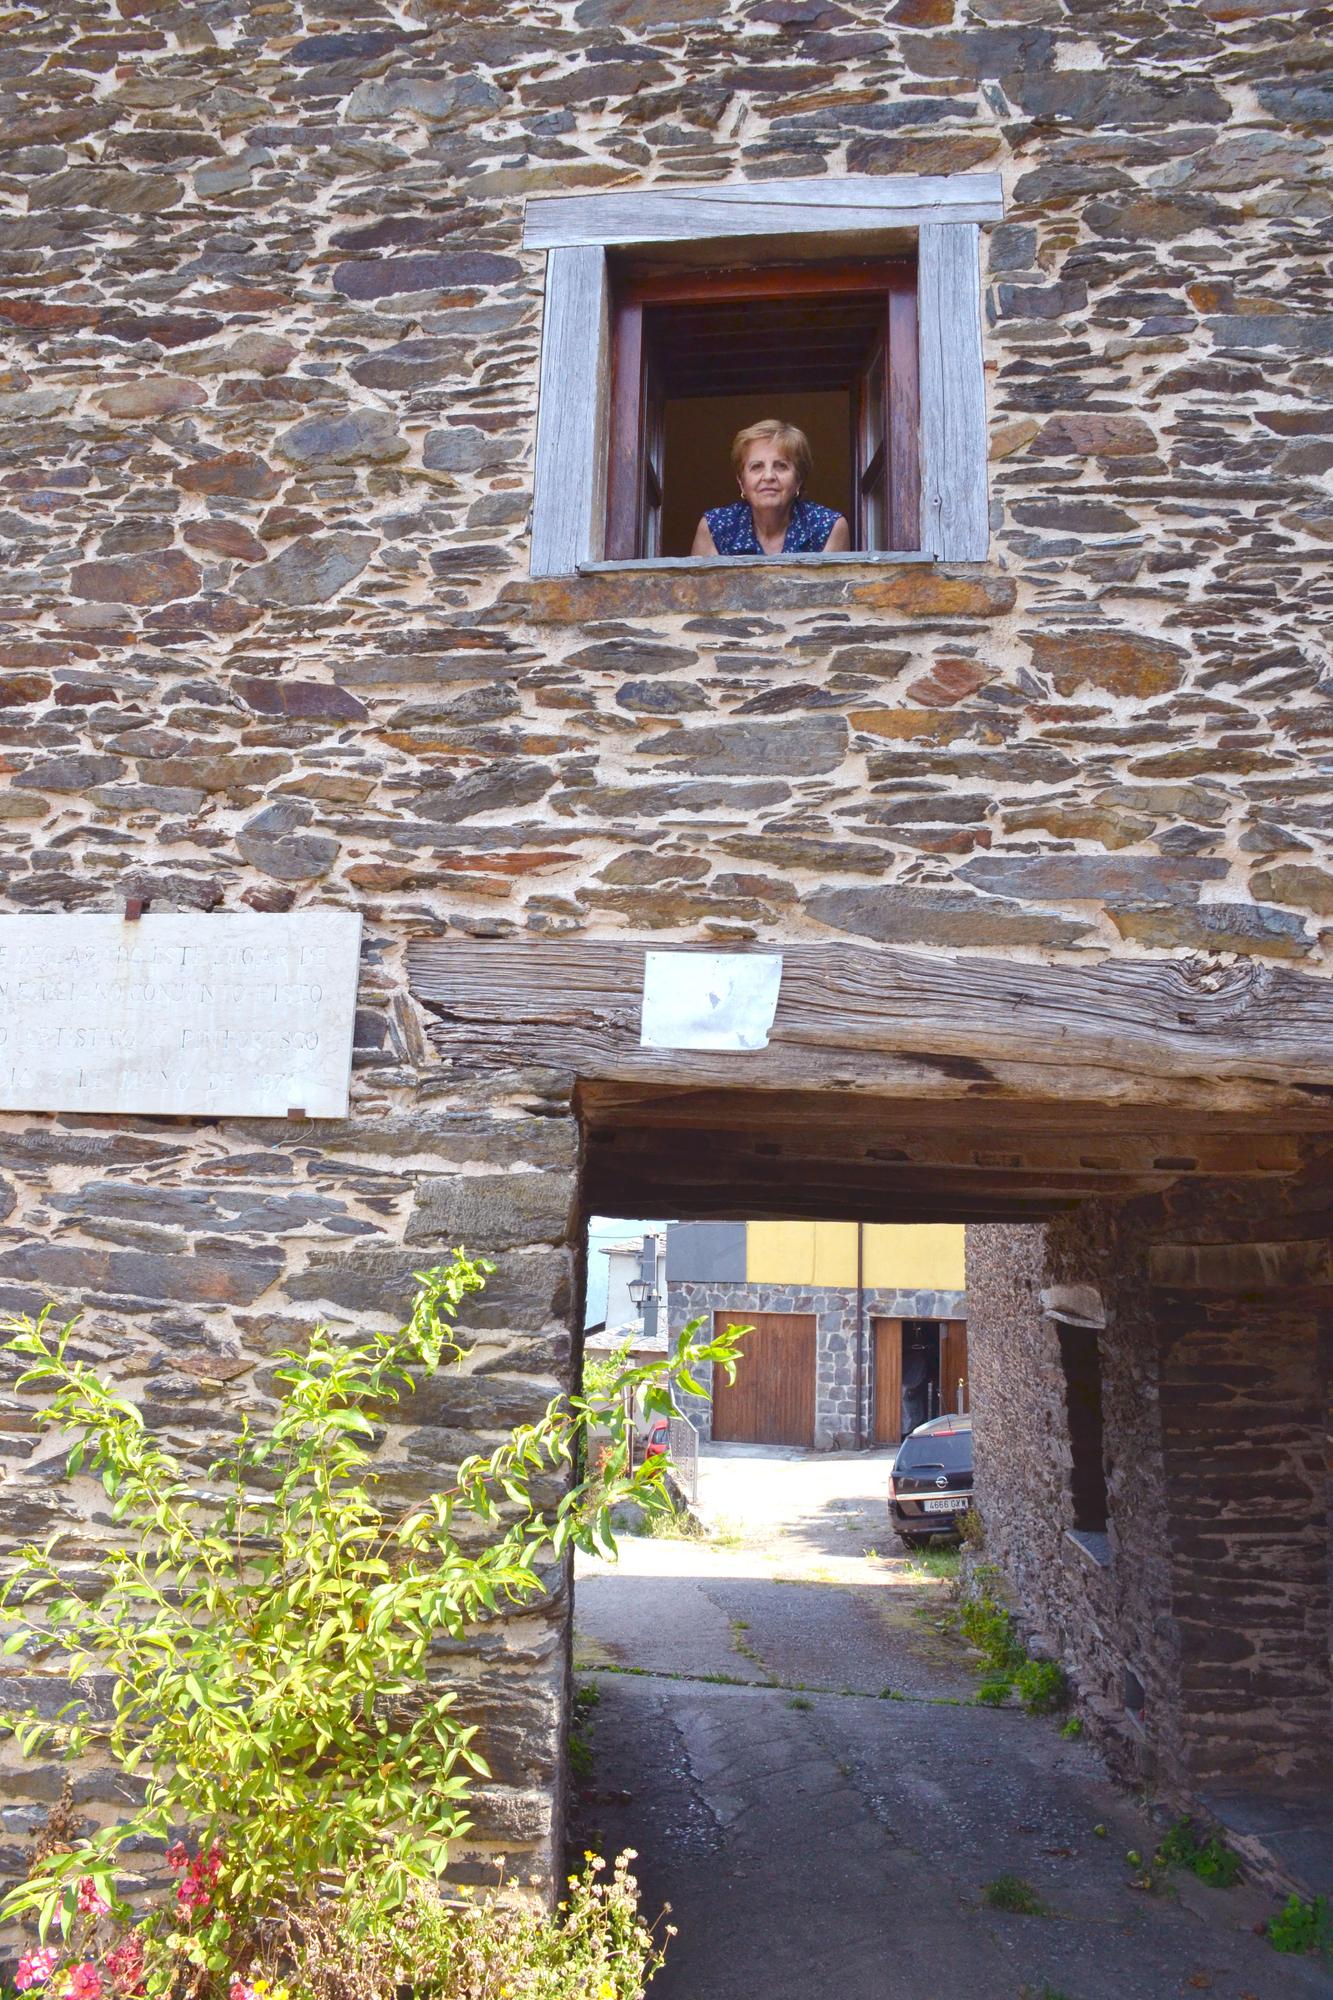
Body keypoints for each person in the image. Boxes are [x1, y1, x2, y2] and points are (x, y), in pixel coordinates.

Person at [691, 418, 851, 557]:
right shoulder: (715, 527)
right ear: (741, 482)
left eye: (781, 466)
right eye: (757, 466)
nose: (768, 476)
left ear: (799, 480)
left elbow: (833, 592)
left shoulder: (829, 527)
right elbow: (699, 591)